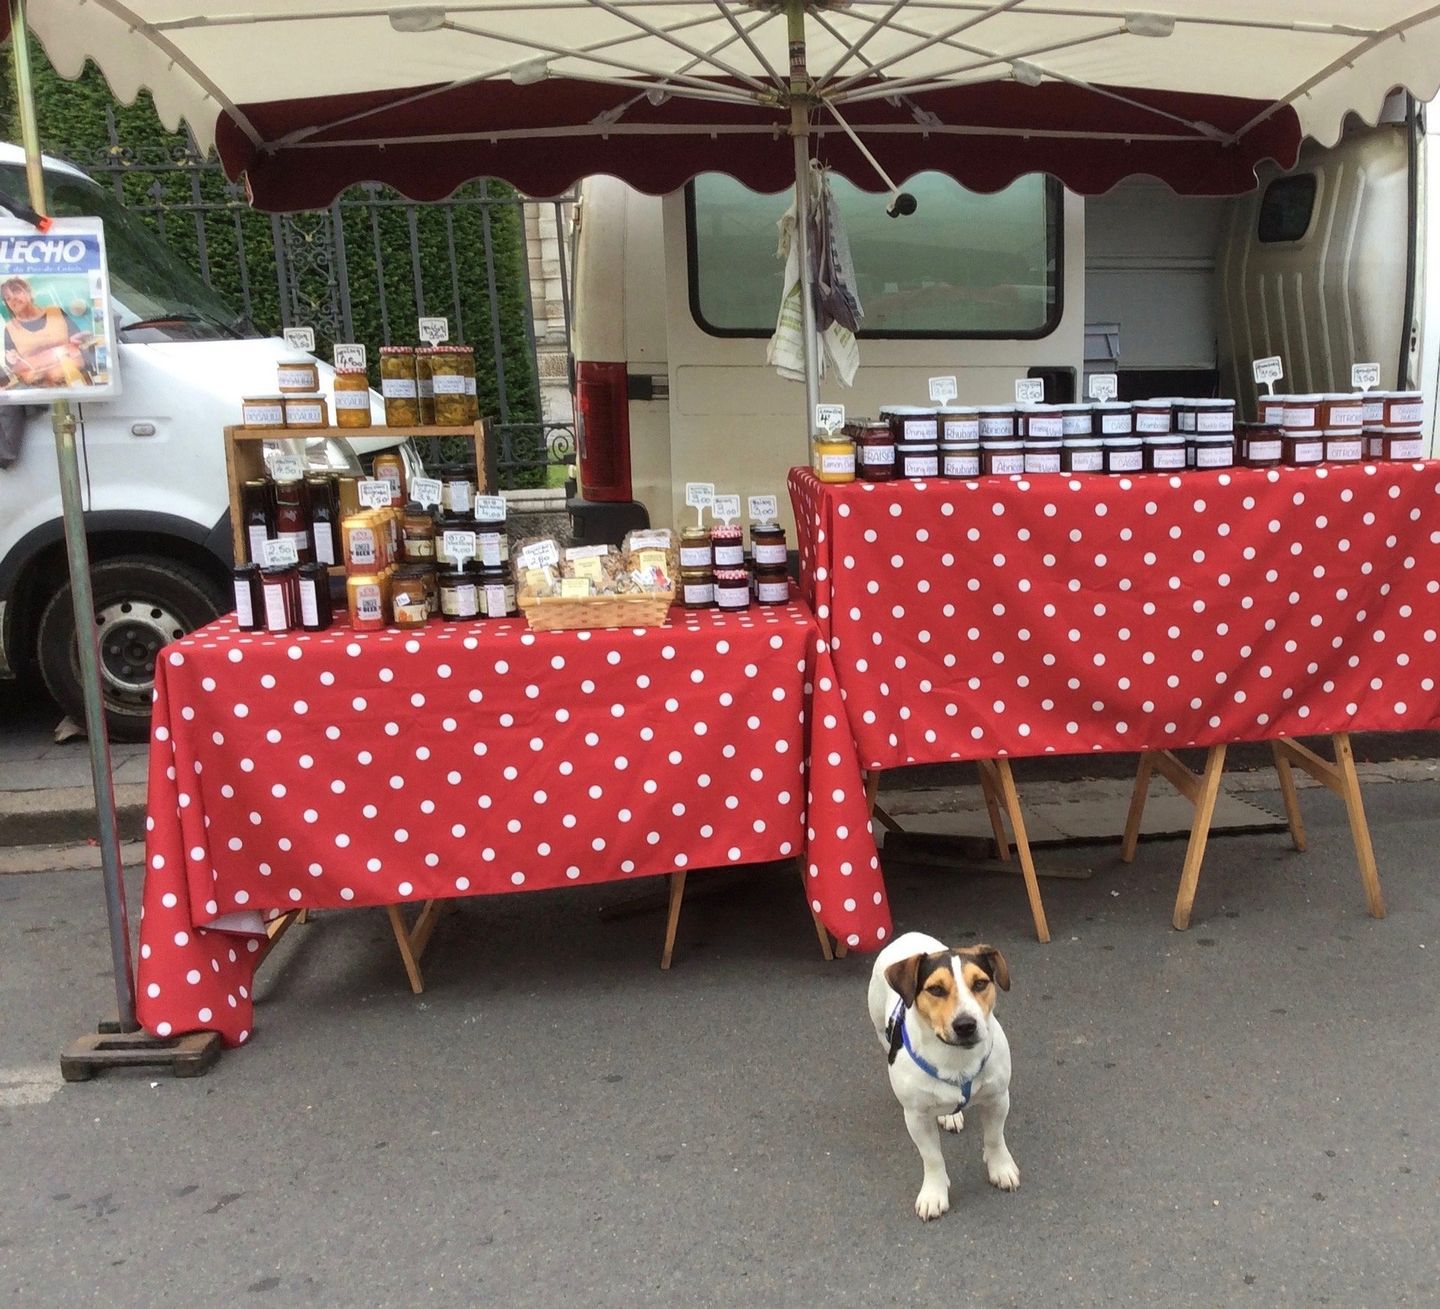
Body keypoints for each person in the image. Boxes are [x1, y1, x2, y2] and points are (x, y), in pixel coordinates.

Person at [1, 276, 90, 388]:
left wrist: (77, 342)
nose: (13, 299)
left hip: (76, 381)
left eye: (16, 291)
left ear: (29, 292)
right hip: (39, 391)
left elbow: (80, 343)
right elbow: (13, 366)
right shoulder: (9, 328)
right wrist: (11, 360)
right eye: (8, 298)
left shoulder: (56, 312)